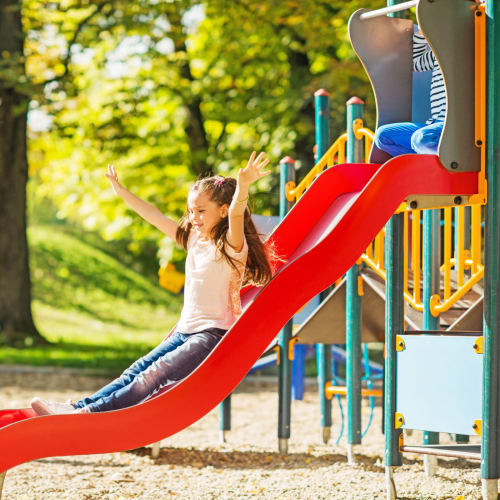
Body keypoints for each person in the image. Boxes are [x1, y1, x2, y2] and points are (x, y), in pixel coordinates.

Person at [30, 151, 278, 415]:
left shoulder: (230, 245)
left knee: (153, 375)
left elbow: (238, 213)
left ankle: (88, 414)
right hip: (185, 331)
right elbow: (154, 215)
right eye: (191, 210)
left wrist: (243, 187)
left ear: (223, 210)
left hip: (211, 335)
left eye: (201, 211)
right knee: (136, 370)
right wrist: (121, 192)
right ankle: (78, 406)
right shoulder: (194, 239)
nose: (194, 216)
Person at [374, 28, 446, 156]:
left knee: (422, 139)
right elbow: (414, 64)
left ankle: (441, 161)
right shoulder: (437, 54)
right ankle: (426, 160)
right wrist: (420, 35)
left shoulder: (469, 51)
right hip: (435, 125)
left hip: (453, 125)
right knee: (383, 136)